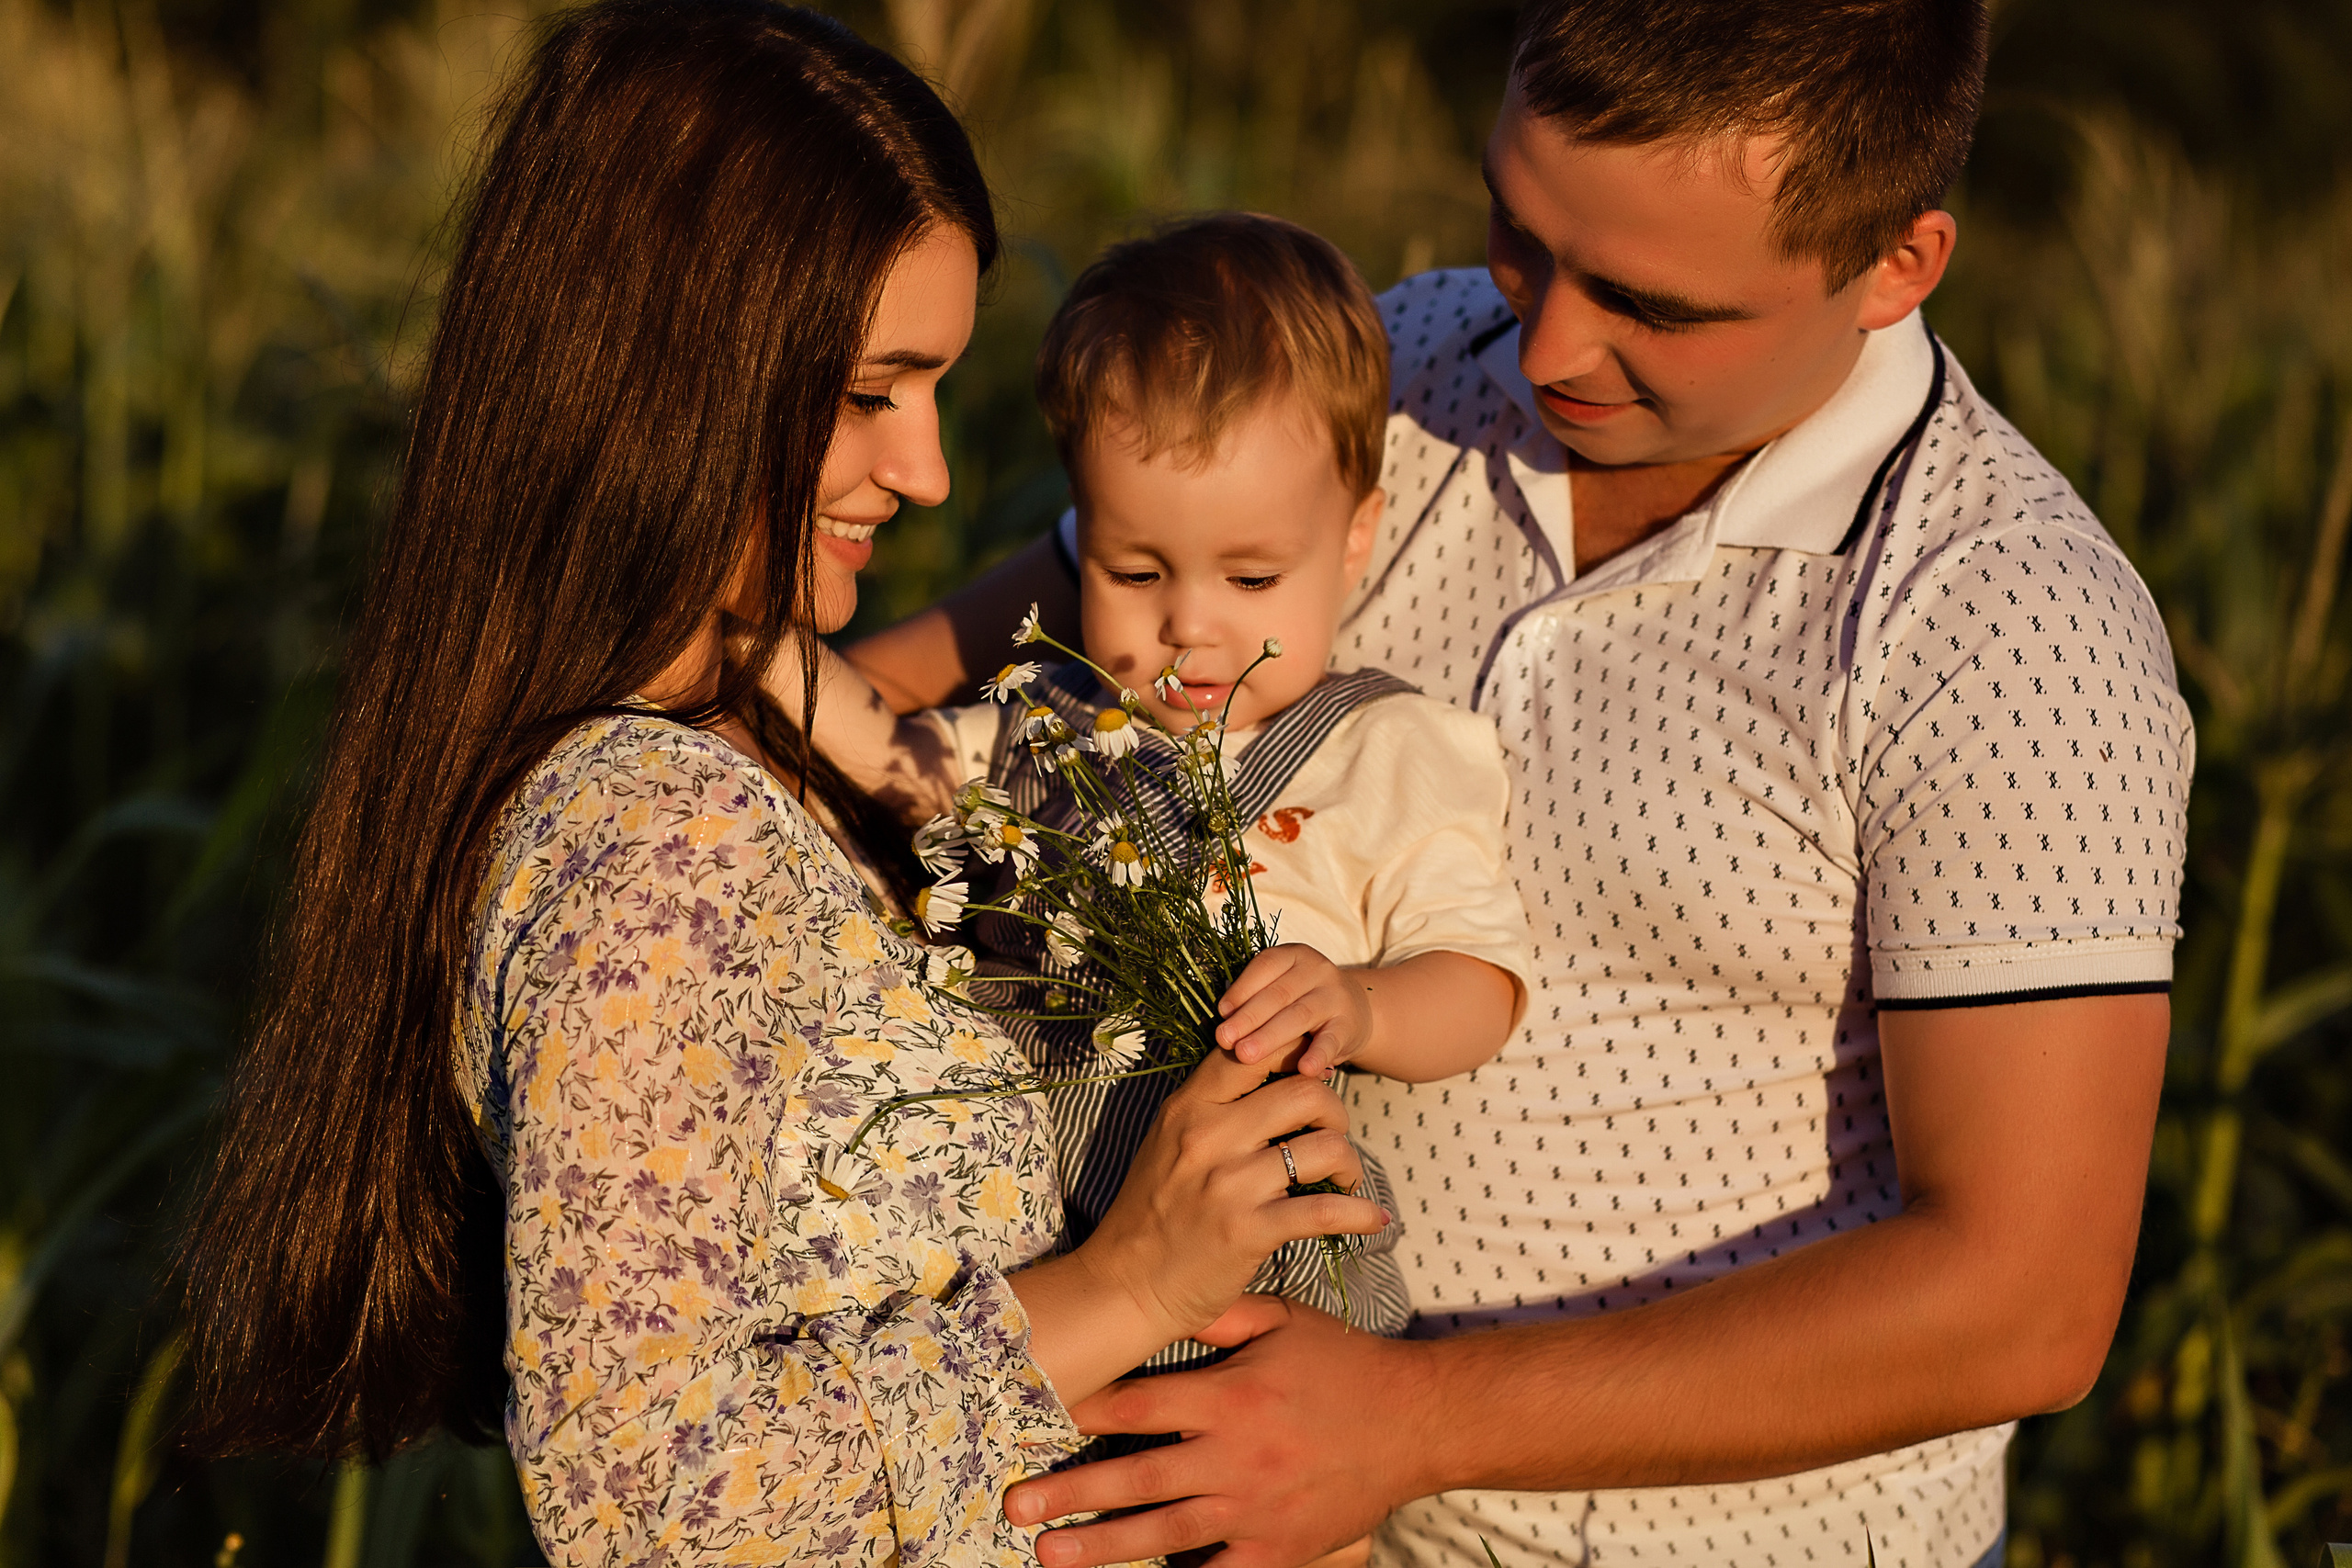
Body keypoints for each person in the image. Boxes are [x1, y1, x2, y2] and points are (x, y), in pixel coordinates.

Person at [845, 1, 2193, 1564]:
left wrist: (1407, 1421)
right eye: (1518, 235)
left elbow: (2021, 1301)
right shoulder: (1401, 361)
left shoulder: (2007, 624)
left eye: (1651, 305)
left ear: (1897, 263)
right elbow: (948, 674)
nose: (1543, 347)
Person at [171, 6, 1387, 1564]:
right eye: (876, 392)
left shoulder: (768, 730)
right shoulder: (652, 839)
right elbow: (643, 1501)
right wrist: (1134, 1280)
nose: (929, 470)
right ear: (681, 374)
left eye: (936, 390)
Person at [778, 212, 1534, 1376]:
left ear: (1355, 542)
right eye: (1133, 572)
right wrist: (743, 647)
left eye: (1252, 577)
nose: (1189, 624)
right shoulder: (1047, 735)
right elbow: (884, 754)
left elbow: (1482, 982)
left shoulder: (1385, 752)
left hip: (1258, 1290)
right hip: (1036, 1275)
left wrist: (1362, 1004)